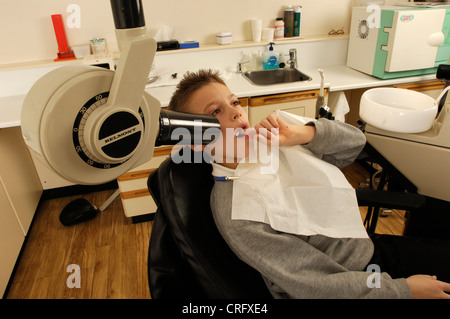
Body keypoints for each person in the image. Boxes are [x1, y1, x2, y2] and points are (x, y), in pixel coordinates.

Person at [167, 69, 450, 299]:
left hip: (363, 247)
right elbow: (314, 284)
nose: (236, 113)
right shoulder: (237, 213)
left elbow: (355, 144)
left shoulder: (275, 137)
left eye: (235, 102)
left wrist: (301, 134)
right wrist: (403, 291)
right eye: (215, 112)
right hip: (359, 278)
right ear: (194, 144)